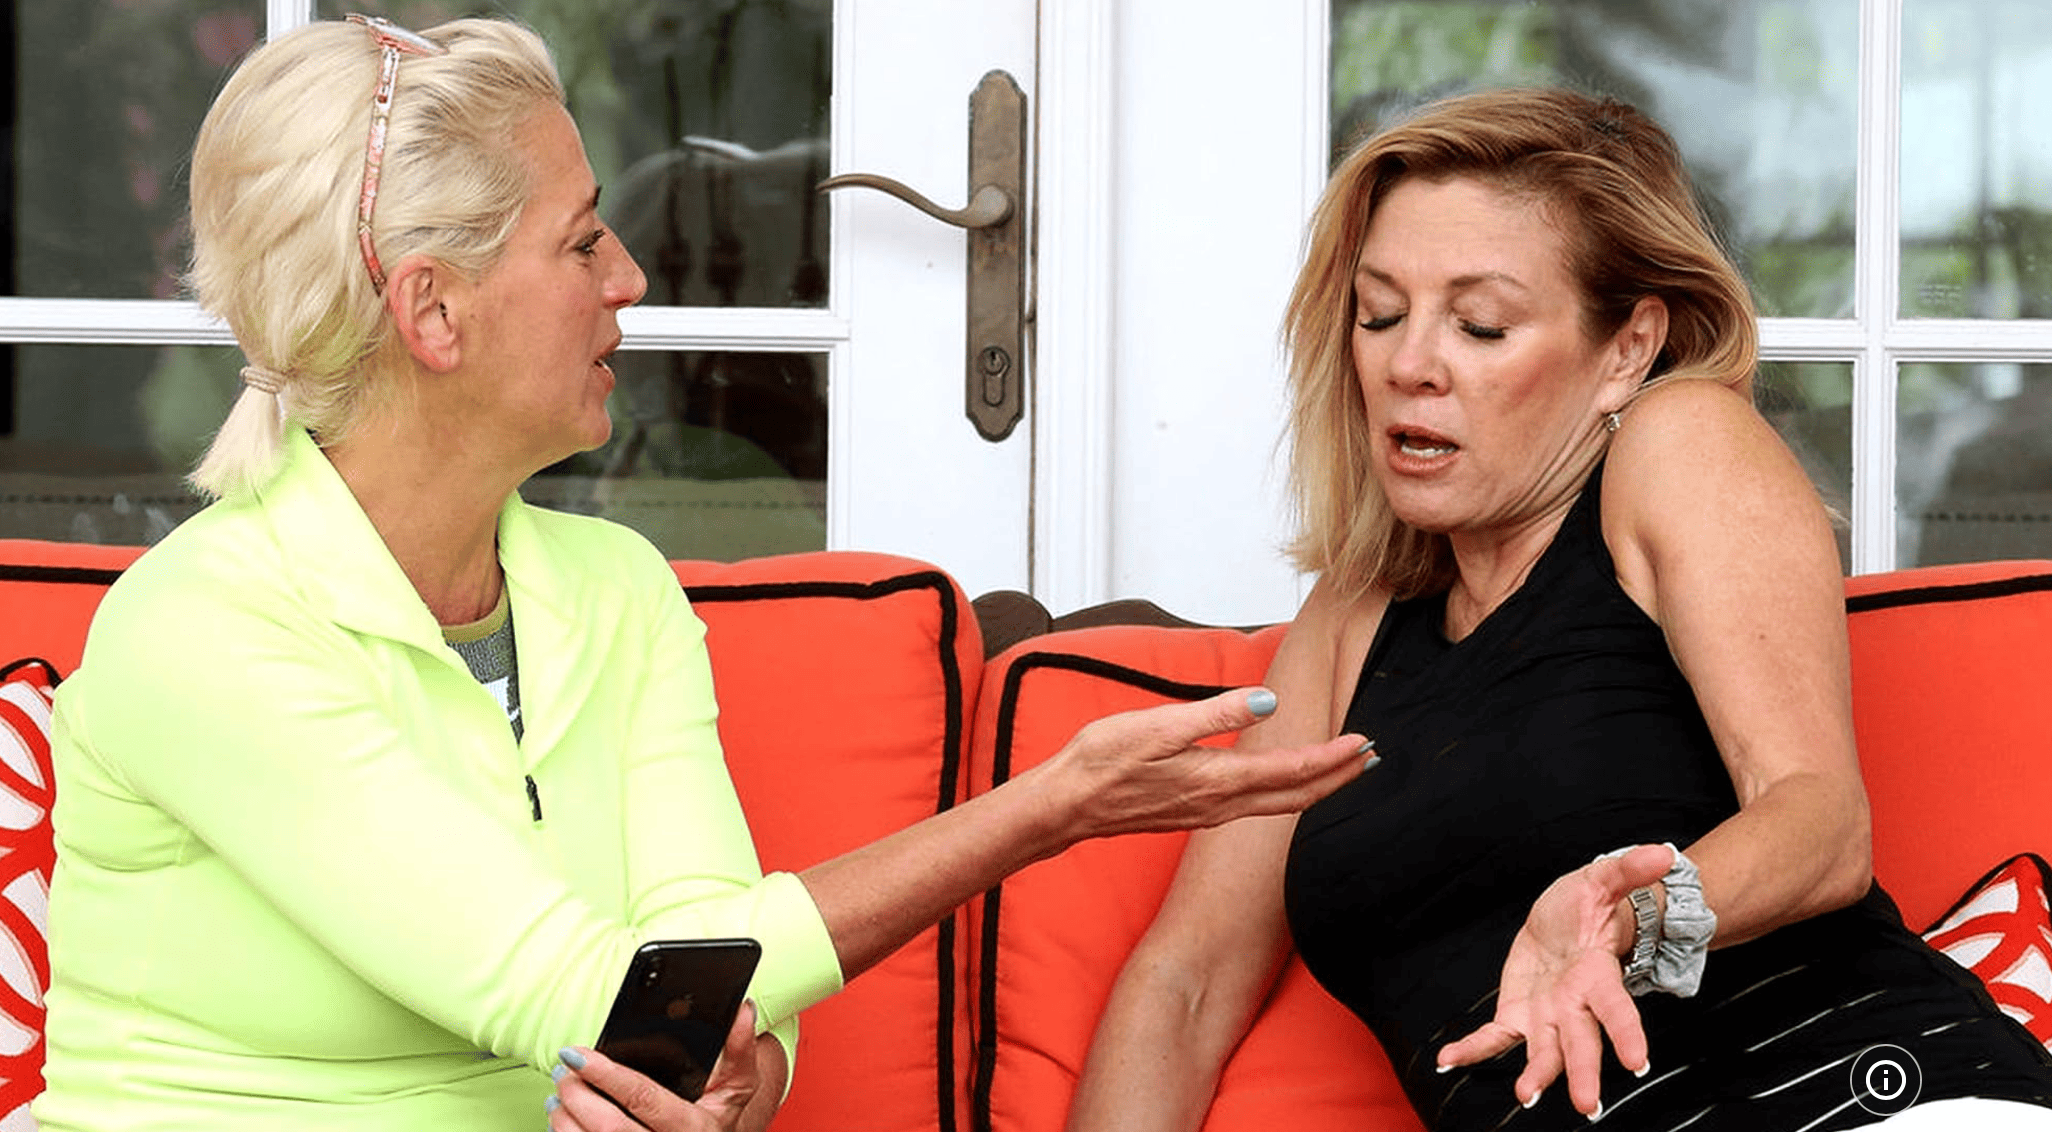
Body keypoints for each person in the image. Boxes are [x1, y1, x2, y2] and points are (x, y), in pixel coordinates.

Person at [33, 17, 1372, 1132]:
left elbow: (705, 979)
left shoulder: (617, 591)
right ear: (431, 310)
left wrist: (729, 1085)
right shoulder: (202, 631)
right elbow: (596, 988)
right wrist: (1051, 805)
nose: (629, 275)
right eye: (580, 243)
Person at [1066, 88, 2052, 1131]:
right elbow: (1184, 986)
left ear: (1625, 349)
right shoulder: (1350, 621)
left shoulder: (1676, 448)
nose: (1409, 366)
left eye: (1480, 324)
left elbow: (1820, 821)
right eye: (1380, 313)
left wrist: (1614, 916)